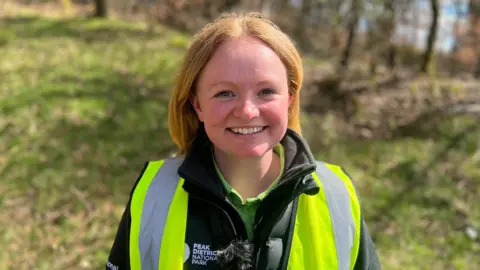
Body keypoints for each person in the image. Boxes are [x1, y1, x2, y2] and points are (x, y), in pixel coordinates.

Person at [106, 12, 381, 270]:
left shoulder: (338, 196)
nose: (248, 111)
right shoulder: (154, 193)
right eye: (225, 93)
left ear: (290, 100)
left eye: (266, 91)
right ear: (197, 104)